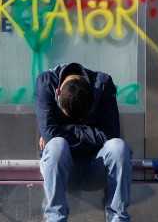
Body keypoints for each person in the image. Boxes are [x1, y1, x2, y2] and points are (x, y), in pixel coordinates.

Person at [34, 62, 131, 222]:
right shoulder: (46, 83)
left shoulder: (103, 84)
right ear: (57, 93)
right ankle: (55, 219)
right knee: (56, 145)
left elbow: (111, 134)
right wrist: (91, 134)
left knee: (118, 147)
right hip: (63, 171)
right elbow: (51, 135)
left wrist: (67, 128)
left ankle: (118, 218)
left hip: (95, 167)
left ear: (93, 96)